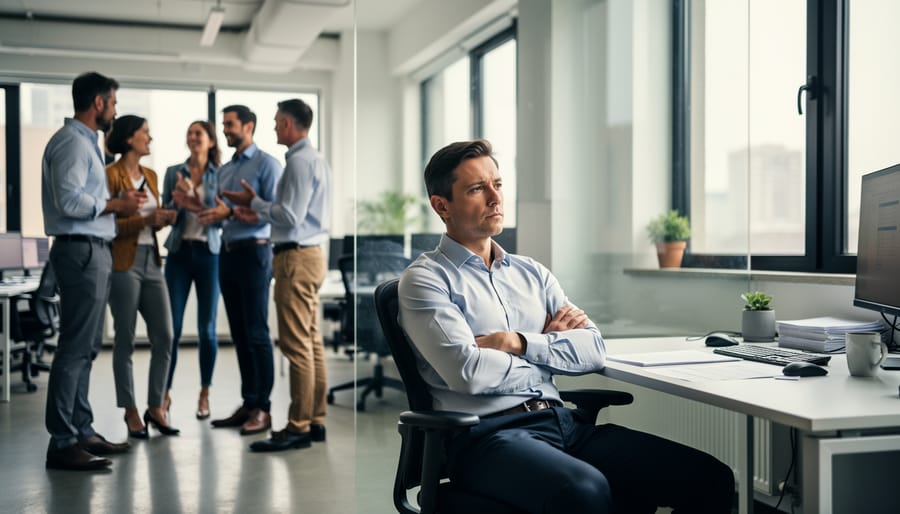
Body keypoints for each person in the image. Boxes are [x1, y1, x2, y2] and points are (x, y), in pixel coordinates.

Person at [398, 139, 735, 513]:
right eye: (477, 189)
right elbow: (469, 373)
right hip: (486, 438)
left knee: (710, 477)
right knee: (584, 491)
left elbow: (593, 350)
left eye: (498, 184)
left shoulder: (532, 273)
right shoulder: (425, 280)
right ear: (442, 206)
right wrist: (550, 346)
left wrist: (520, 343)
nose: (495, 198)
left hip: (564, 422)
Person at [42, 72, 147, 471]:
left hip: (93, 250)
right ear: (98, 104)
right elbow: (69, 199)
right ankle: (63, 441)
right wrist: (114, 206)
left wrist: (115, 203)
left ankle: (81, 430)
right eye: (114, 103)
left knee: (86, 347)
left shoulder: (87, 145)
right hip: (80, 250)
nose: (115, 111)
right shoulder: (71, 143)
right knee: (74, 347)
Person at [223, 99, 332, 452]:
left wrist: (256, 206)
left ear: (287, 123)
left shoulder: (299, 162)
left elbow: (289, 216)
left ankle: (298, 426)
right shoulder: (315, 159)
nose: (272, 127)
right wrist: (257, 203)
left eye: (275, 122)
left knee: (296, 344)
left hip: (295, 258)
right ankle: (315, 420)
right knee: (311, 341)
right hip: (311, 255)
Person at [175, 105, 281, 436]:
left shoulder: (267, 164)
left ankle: (263, 408)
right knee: (238, 333)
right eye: (224, 125)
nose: (225, 130)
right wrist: (193, 205)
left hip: (256, 253)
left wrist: (231, 212)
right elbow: (218, 212)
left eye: (230, 124)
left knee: (257, 333)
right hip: (228, 253)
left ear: (249, 126)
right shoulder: (224, 170)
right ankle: (249, 403)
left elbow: (276, 212)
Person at [105, 115, 179, 439]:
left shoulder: (150, 175)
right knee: (125, 339)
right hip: (123, 262)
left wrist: (161, 219)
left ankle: (155, 406)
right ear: (129, 138)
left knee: (165, 335)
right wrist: (144, 220)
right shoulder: (111, 175)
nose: (150, 138)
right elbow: (107, 226)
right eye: (145, 133)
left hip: (152, 260)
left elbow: (149, 219)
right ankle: (130, 410)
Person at [162, 120, 222, 420]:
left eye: (198, 133)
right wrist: (175, 207)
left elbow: (222, 220)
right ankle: (164, 394)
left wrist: (194, 201)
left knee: (207, 330)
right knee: (170, 329)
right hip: (179, 254)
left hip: (210, 255)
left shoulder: (220, 175)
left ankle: (204, 393)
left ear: (211, 141)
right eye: (189, 133)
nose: (192, 137)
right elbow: (166, 216)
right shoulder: (174, 172)